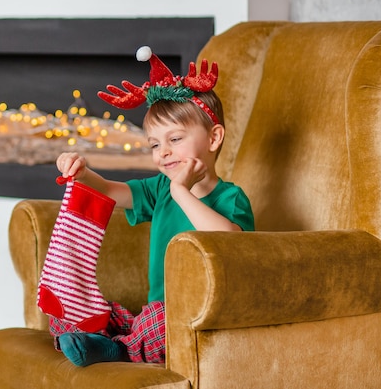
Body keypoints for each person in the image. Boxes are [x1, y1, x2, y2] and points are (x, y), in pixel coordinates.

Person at [49, 46, 254, 367]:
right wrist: (83, 172)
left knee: (157, 321)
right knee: (85, 306)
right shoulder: (160, 189)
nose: (163, 153)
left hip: (198, 320)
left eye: (175, 140)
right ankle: (98, 340)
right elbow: (110, 193)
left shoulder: (231, 198)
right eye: (155, 144)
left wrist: (181, 191)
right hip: (152, 312)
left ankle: (116, 350)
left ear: (214, 138)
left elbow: (231, 243)